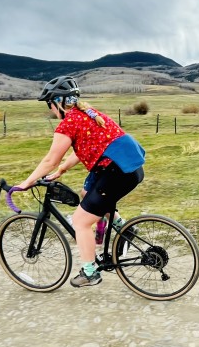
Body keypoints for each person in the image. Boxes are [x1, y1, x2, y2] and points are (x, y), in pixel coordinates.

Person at [14, 75, 145, 287]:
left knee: (80, 222)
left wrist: (27, 182)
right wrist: (62, 170)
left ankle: (90, 272)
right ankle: (123, 227)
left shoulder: (69, 123)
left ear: (57, 102)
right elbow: (84, 147)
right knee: (86, 195)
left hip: (116, 172)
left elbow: (49, 159)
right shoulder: (87, 114)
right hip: (129, 167)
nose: (50, 110)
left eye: (50, 105)